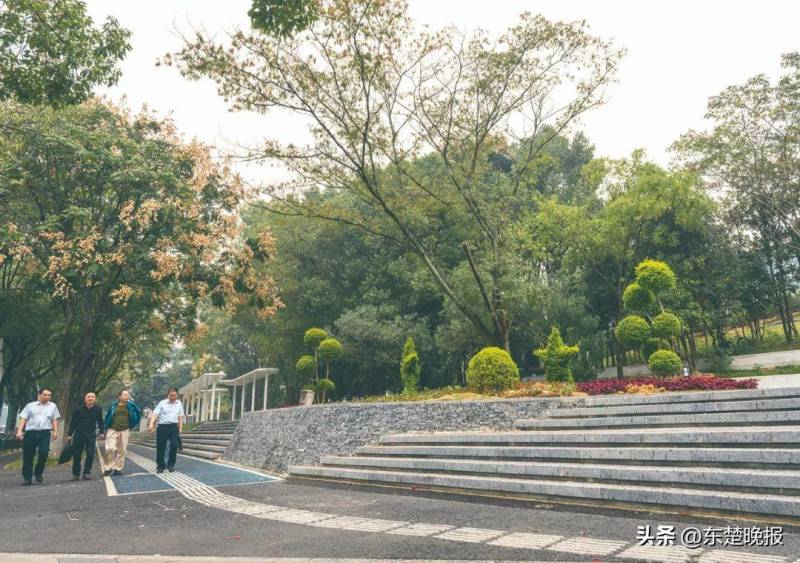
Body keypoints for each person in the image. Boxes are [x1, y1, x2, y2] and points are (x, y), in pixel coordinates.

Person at [15, 388, 60, 485]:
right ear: (39, 395)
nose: (47, 397)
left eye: (49, 395)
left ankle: (38, 472)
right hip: (31, 433)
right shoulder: (30, 406)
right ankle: (27, 478)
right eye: (45, 395)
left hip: (45, 433)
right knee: (28, 456)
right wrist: (19, 431)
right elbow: (23, 419)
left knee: (44, 452)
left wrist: (55, 431)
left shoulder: (53, 406)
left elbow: (54, 419)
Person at [102, 390, 141, 477]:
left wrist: (133, 423)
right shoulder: (113, 405)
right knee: (110, 448)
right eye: (125, 395)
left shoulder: (131, 405)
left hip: (125, 430)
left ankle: (117, 468)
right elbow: (108, 416)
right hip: (112, 429)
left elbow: (138, 412)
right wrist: (105, 427)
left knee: (122, 450)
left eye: (128, 395)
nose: (127, 397)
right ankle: (108, 468)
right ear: (119, 397)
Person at [67, 392, 104, 481]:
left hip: (91, 434)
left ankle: (86, 473)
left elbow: (100, 421)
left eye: (92, 397)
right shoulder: (78, 409)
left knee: (90, 454)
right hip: (79, 434)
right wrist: (69, 434)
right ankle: (76, 474)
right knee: (77, 454)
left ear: (94, 399)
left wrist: (102, 432)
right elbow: (73, 422)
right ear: (85, 398)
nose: (90, 398)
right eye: (88, 397)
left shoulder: (98, 409)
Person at [149, 388, 184, 473]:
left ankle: (171, 465)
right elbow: (155, 414)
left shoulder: (179, 403)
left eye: (174, 395)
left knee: (175, 445)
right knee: (161, 447)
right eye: (171, 395)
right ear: (168, 395)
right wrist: (151, 424)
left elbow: (180, 416)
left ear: (177, 395)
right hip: (162, 427)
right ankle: (161, 466)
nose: (172, 397)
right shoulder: (162, 403)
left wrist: (180, 427)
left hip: (174, 427)